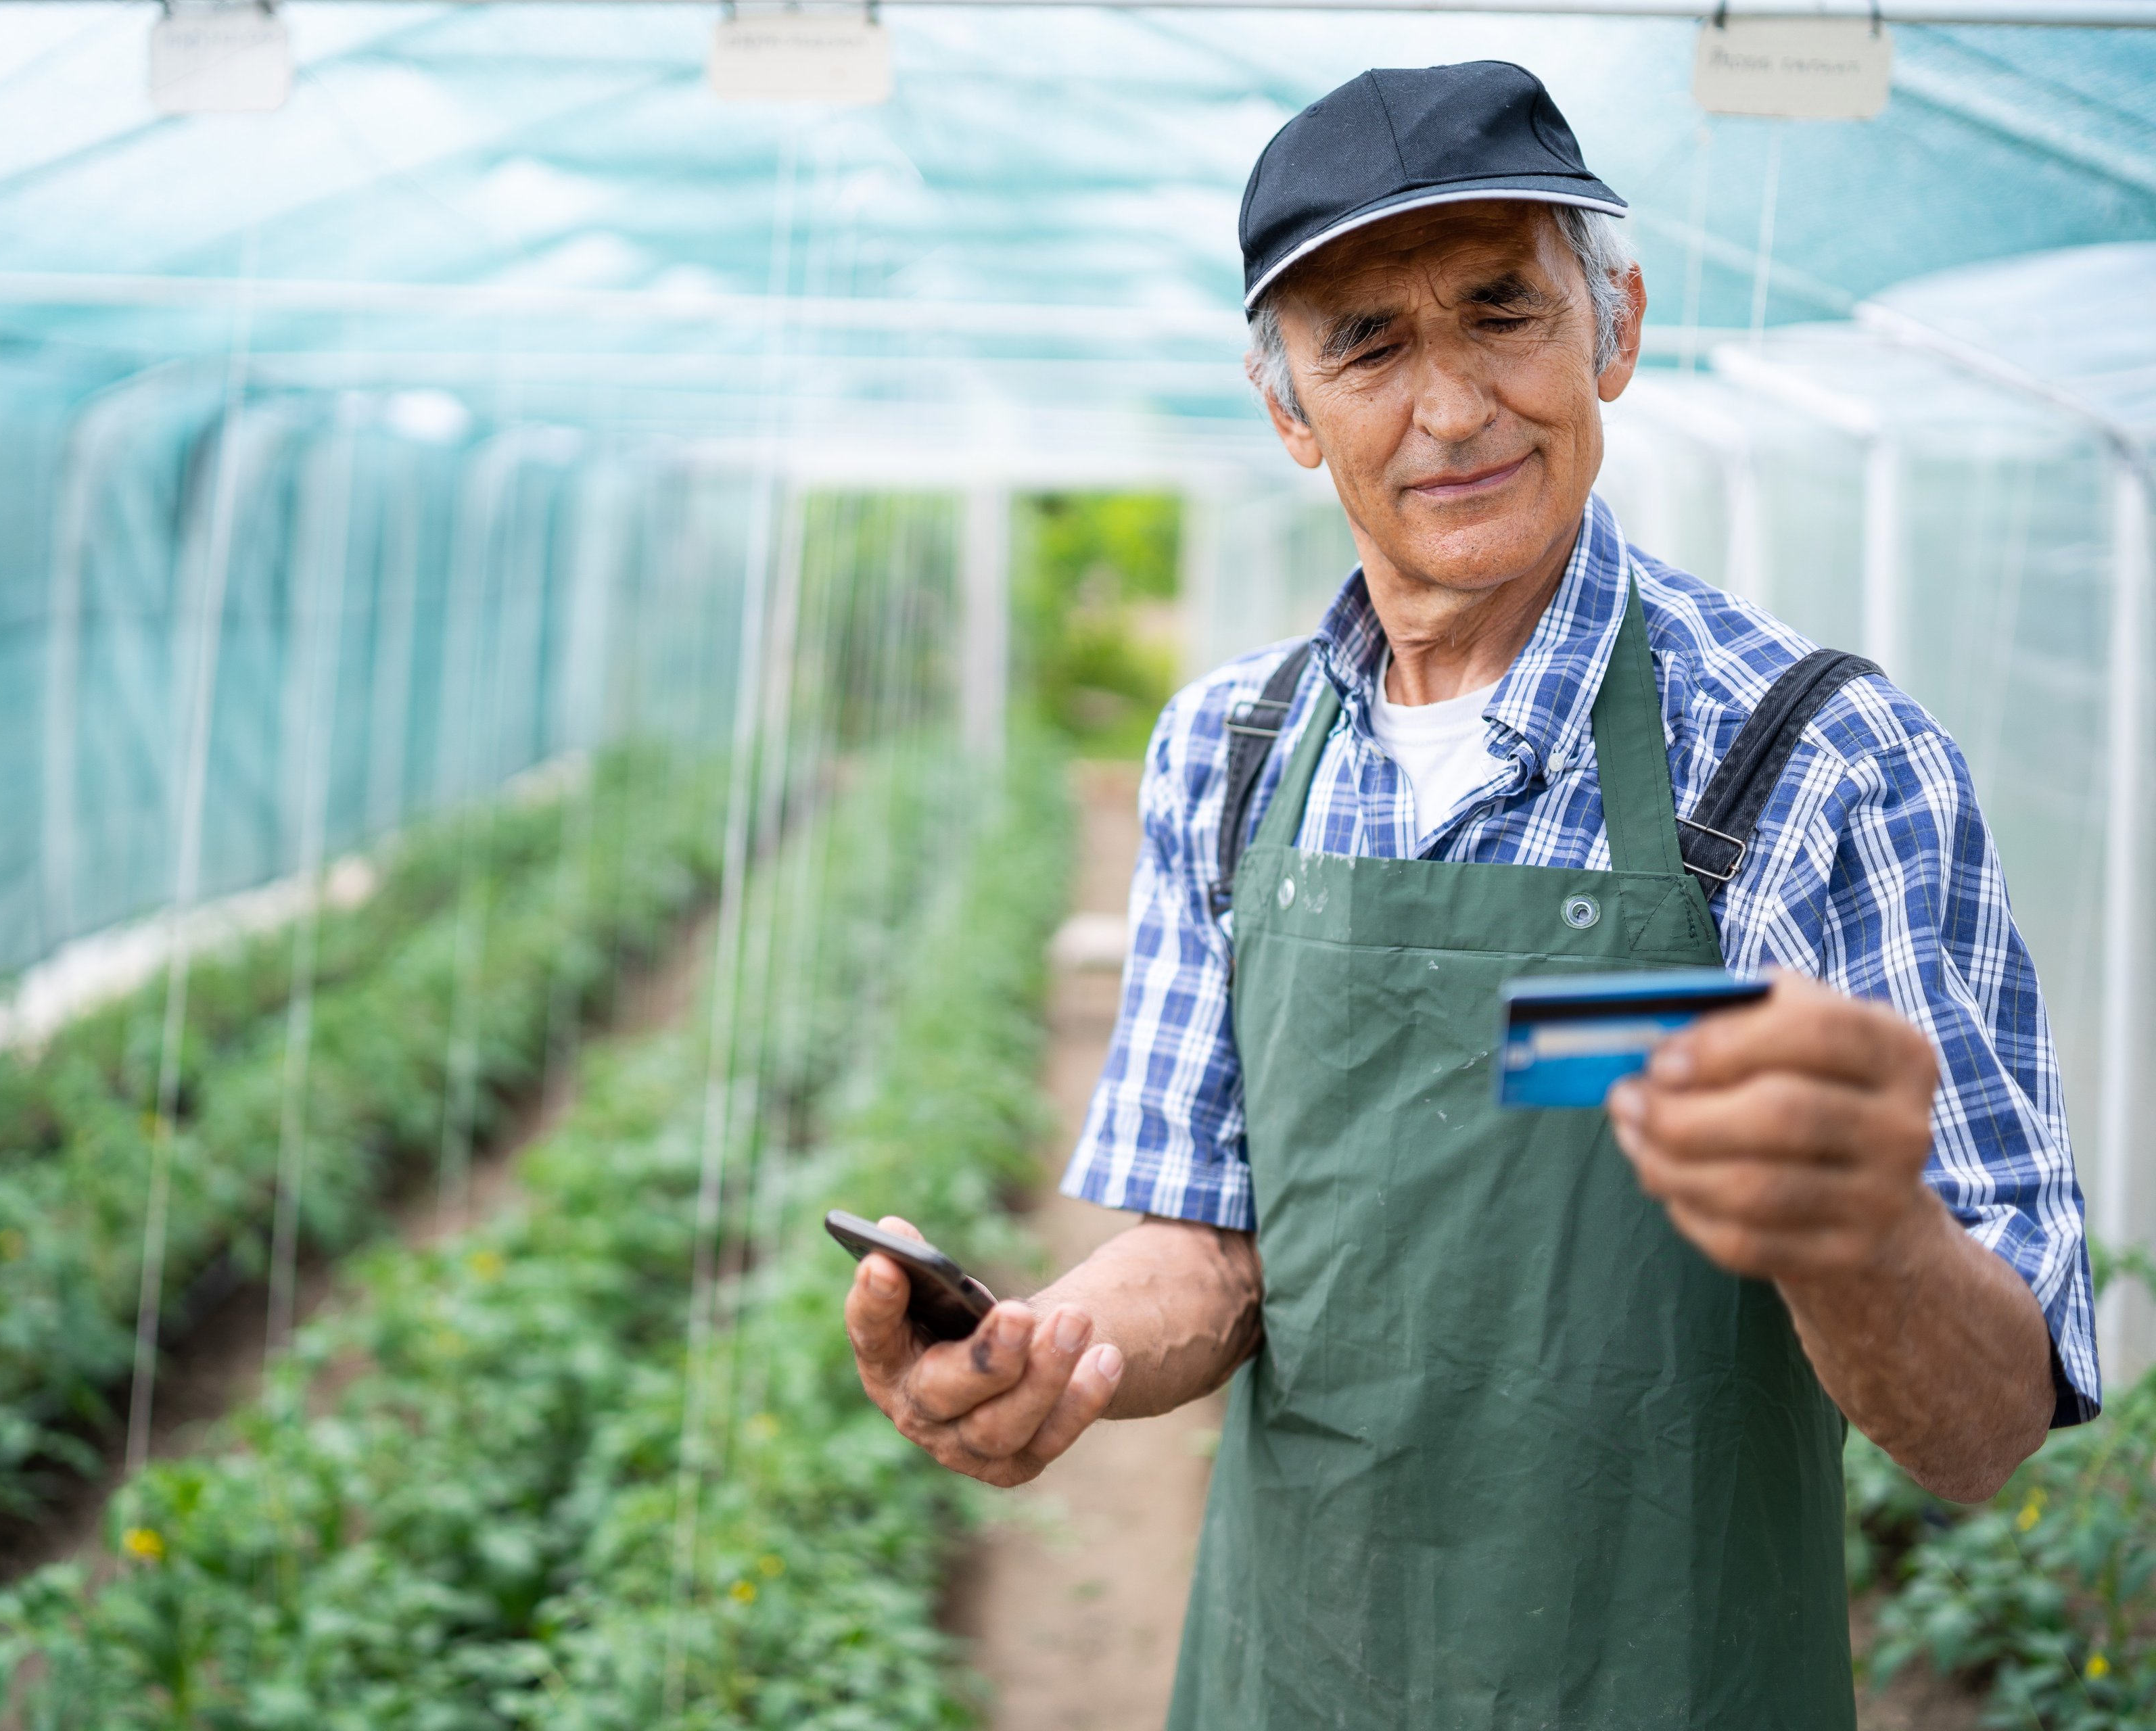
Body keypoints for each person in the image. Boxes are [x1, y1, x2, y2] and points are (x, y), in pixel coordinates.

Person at [841, 60, 2099, 1729]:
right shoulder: (1228, 749)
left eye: (1502, 311)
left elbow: (1986, 1420)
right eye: (1367, 342)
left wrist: (1865, 1230)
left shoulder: (1815, 766)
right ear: (1290, 410)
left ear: (1615, 329)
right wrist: (1047, 1346)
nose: (1448, 408)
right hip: (1297, 1673)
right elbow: (1213, 1249)